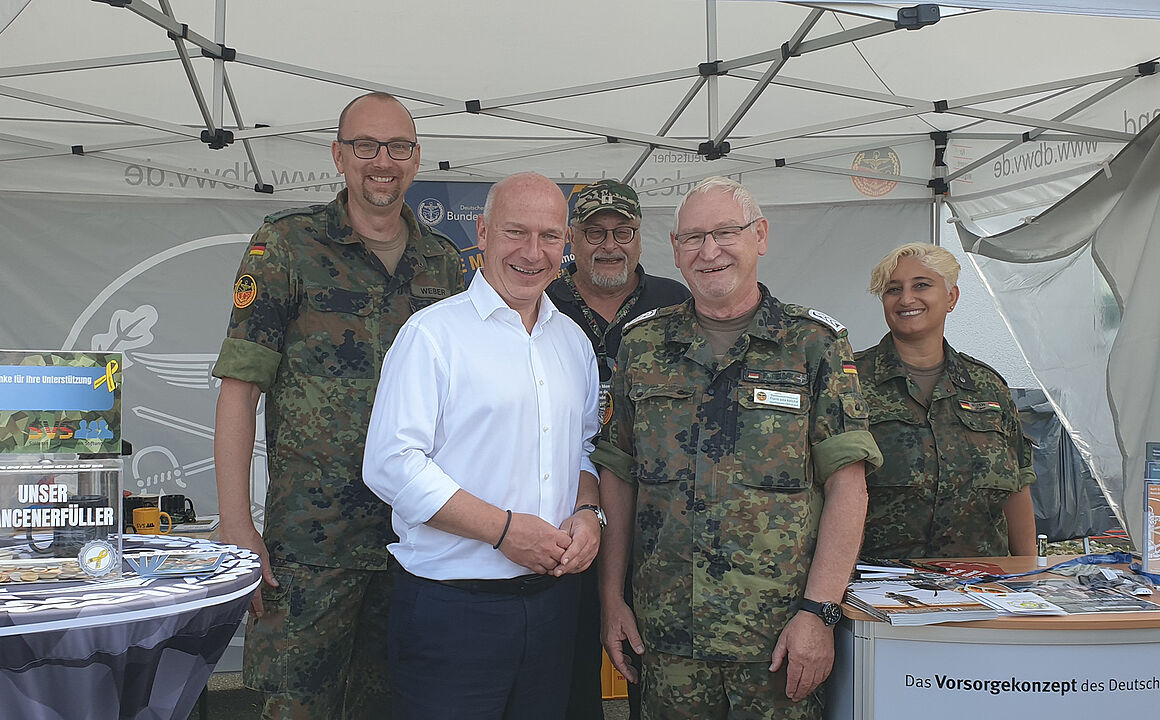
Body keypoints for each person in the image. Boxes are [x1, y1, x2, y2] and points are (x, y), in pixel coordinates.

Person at [211, 92, 465, 720]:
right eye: (365, 146)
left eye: (398, 148)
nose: (383, 161)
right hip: (312, 547)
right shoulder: (287, 246)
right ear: (339, 156)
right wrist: (237, 524)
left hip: (417, 544)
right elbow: (240, 388)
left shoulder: (446, 265)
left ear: (415, 159)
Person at [594, 176, 882, 720]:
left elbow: (848, 486)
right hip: (667, 639)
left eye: (725, 232)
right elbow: (618, 476)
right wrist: (612, 602)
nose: (710, 251)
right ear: (675, 251)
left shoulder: (813, 344)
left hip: (777, 641)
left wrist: (819, 613)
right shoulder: (642, 345)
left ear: (761, 237)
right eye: (693, 238)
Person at [363, 172, 603, 720]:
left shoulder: (572, 341)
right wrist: (503, 530)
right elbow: (391, 466)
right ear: (483, 232)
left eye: (549, 236)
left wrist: (589, 513)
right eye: (516, 233)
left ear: (566, 243)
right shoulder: (433, 335)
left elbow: (585, 450)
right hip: (453, 610)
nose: (532, 252)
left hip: (552, 605)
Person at [547, 179, 688, 720]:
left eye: (622, 231)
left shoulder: (675, 302)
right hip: (564, 512)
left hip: (655, 514)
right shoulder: (542, 300)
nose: (610, 244)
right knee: (569, 664)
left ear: (639, 238)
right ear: (572, 241)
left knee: (650, 663)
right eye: (594, 232)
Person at [856, 242, 1037, 559]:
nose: (906, 299)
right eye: (893, 289)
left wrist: (1029, 573)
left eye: (921, 285)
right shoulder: (848, 382)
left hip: (982, 587)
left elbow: (1018, 488)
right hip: (878, 588)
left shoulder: (988, 388)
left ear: (951, 297)